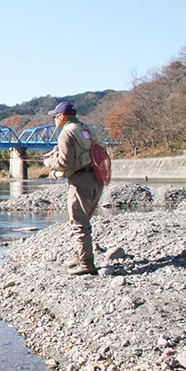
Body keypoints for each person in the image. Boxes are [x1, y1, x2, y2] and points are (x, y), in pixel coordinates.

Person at [43, 101, 104, 276]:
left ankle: (87, 264)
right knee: (84, 220)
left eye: (55, 116)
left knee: (79, 224)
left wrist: (48, 162)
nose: (54, 120)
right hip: (96, 178)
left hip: (80, 181)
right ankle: (80, 255)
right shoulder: (85, 129)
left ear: (62, 116)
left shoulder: (66, 133)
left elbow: (65, 162)